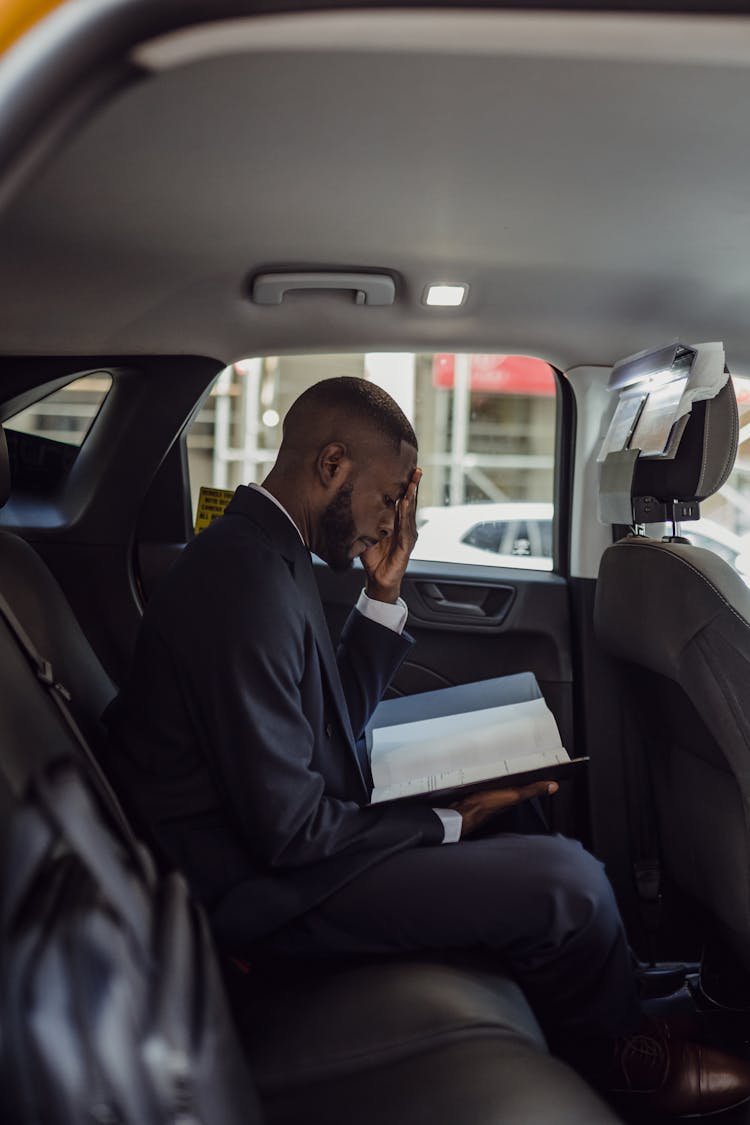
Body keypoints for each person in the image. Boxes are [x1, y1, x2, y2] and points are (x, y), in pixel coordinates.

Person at [104, 377, 750, 1116]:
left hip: (276, 849)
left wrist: (384, 592)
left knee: (519, 809)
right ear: (332, 464)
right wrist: (451, 819)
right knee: (566, 882)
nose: (390, 525)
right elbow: (290, 831)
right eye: (388, 499)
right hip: (255, 895)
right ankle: (623, 1064)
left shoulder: (269, 552)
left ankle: (626, 999)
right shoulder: (241, 581)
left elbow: (323, 724)